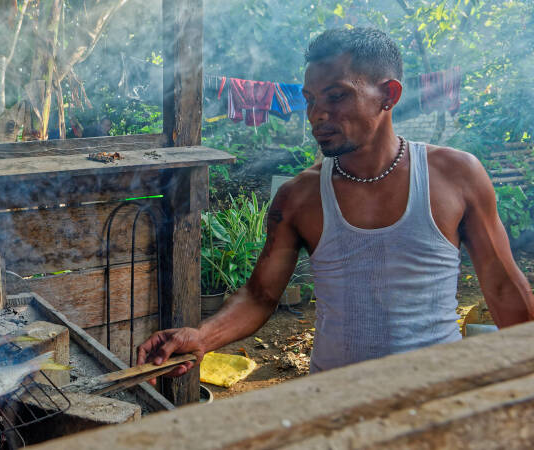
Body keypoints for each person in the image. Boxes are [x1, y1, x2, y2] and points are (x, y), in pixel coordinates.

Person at [137, 28, 534, 379]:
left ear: (388, 95)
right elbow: (259, 296)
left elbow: (502, 287)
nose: (317, 115)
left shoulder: (455, 175)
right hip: (332, 401)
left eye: (337, 96)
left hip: (438, 397)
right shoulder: (299, 196)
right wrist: (202, 336)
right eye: (310, 99)